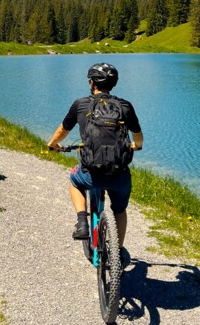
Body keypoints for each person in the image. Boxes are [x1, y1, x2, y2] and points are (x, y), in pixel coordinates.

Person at [47, 63, 143, 259]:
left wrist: (53, 145)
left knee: (74, 180)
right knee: (120, 210)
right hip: (119, 176)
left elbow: (62, 131)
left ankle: (82, 221)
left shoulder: (80, 104)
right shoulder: (125, 106)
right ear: (113, 84)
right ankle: (117, 252)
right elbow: (138, 136)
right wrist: (136, 146)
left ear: (91, 83)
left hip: (91, 174)